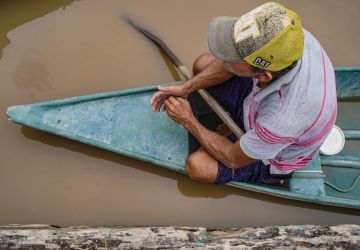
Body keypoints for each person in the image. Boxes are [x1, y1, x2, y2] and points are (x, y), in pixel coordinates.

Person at [150, 2, 337, 185]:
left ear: (264, 75)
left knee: (198, 167)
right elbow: (226, 62)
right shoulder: (288, 37)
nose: (224, 59)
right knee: (202, 64)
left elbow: (233, 158)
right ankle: (240, 120)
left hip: (272, 153)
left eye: (234, 58)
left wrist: (188, 120)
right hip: (260, 105)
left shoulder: (282, 120)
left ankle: (263, 165)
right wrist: (186, 88)